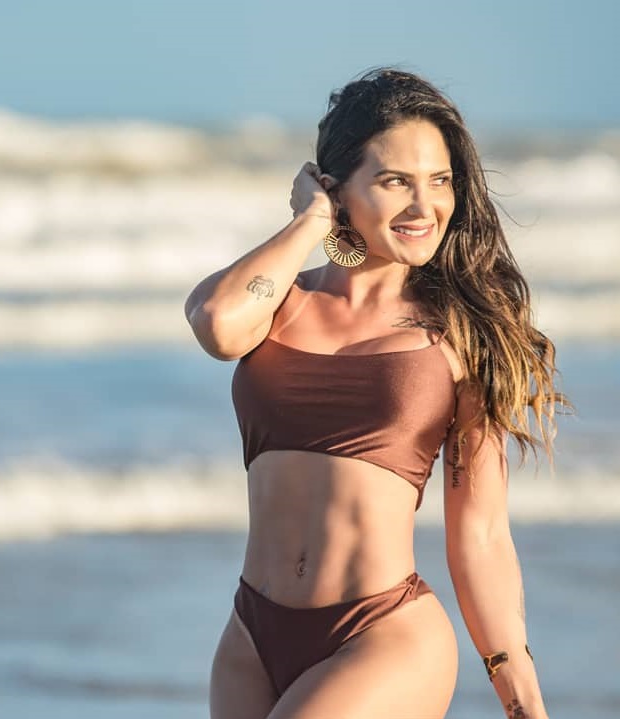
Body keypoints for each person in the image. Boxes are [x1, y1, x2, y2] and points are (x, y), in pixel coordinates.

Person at [184, 68, 567, 719]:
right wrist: (308, 223)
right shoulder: (278, 302)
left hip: (383, 636)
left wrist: (518, 690)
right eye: (395, 182)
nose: (425, 207)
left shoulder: (458, 335)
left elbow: (478, 532)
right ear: (334, 186)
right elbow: (218, 325)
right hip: (251, 634)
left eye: (439, 181)